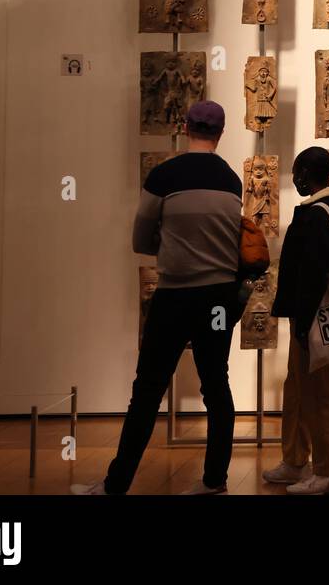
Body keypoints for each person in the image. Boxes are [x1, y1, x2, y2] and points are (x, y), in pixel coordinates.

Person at [72, 101, 243, 495]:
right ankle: (215, 480)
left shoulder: (164, 175)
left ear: (185, 127)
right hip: (218, 298)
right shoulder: (231, 180)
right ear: (221, 133)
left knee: (148, 390)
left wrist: (172, 247)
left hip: (175, 295)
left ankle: (116, 484)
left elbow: (140, 240)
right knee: (216, 387)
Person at [261, 146, 329, 495]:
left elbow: (317, 273)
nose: (294, 179)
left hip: (315, 316)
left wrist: (304, 322)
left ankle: (326, 468)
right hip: (308, 315)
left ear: (306, 174)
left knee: (320, 393)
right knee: (298, 387)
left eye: (296, 173)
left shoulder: (321, 213)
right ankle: (294, 459)